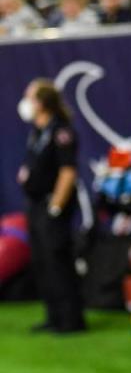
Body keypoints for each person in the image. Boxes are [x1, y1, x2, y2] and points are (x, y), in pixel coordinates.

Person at [17, 79, 86, 334]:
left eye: (30, 97)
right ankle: (53, 315)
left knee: (58, 260)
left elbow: (68, 172)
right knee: (41, 261)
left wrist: (55, 207)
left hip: (52, 206)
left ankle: (71, 319)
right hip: (35, 205)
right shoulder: (37, 130)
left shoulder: (61, 131)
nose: (25, 103)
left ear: (42, 102)